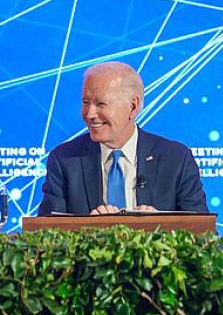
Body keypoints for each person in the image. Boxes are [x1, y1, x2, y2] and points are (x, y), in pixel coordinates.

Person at [38, 61, 208, 215]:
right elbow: (46, 237)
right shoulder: (64, 160)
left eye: (101, 104)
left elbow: (203, 235)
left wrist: (161, 226)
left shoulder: (176, 159)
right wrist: (88, 230)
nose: (89, 114)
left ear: (132, 106)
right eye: (85, 102)